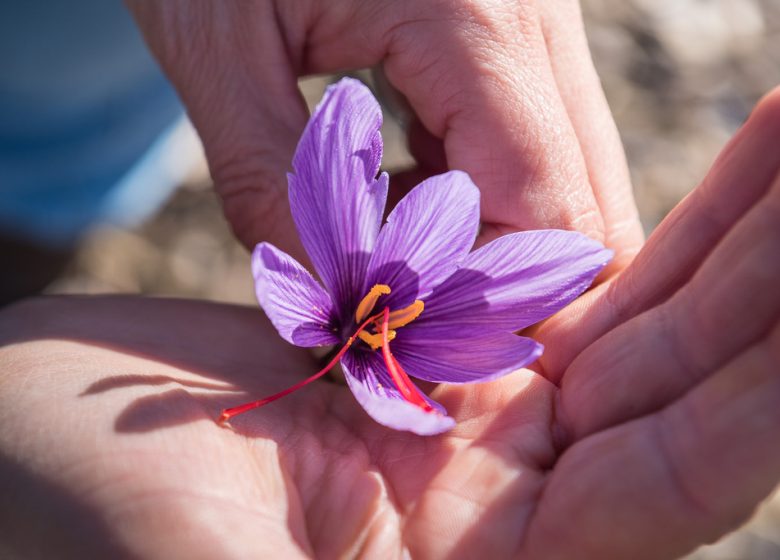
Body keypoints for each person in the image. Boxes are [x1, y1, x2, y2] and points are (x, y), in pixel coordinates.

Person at [0, 1, 777, 558]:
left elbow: (531, 307)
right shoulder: (326, 296)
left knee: (58, 134)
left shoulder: (392, 348)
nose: (376, 324)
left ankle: (39, 208)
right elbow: (290, 250)